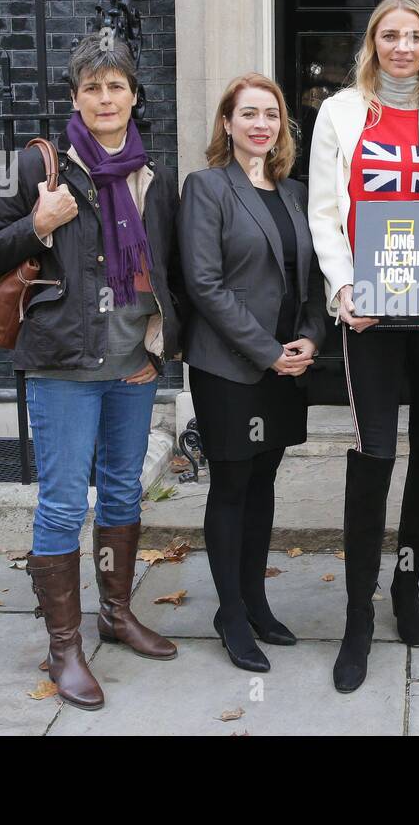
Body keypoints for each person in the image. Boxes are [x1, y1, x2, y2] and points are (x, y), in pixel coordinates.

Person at [0, 33, 182, 711]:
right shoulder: (39, 169)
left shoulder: (152, 173)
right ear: (75, 99)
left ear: (134, 97)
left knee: (122, 494)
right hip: (63, 365)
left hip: (129, 366)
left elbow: (167, 270)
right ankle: (64, 645)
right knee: (64, 502)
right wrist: (36, 223)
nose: (106, 98)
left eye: (117, 86)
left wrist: (159, 348)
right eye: (93, 88)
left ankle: (115, 614)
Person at [307, 0, 419, 692]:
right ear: (374, 43)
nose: (402, 46)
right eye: (390, 35)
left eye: (414, 36)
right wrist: (344, 286)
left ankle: (407, 587)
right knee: (373, 451)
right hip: (369, 312)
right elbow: (326, 211)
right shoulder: (340, 113)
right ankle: (358, 614)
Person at [179, 73, 326, 673]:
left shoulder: (295, 193)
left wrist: (312, 337)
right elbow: (204, 285)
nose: (261, 124)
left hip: (287, 366)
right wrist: (267, 350)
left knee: (264, 484)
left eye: (271, 114)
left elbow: (315, 279)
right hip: (230, 368)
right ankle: (231, 614)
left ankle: (257, 601)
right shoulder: (208, 187)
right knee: (233, 485)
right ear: (227, 123)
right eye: (248, 114)